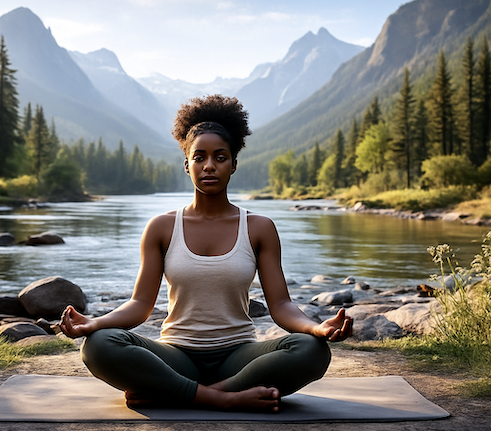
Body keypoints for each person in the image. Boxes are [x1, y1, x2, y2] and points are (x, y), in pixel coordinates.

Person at [59, 94, 353, 412]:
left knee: (313, 350)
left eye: (220, 157)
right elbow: (140, 305)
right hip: (176, 356)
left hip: (239, 360)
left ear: (233, 164)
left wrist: (316, 327)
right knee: (99, 345)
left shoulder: (259, 227)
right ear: (187, 164)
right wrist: (95, 323)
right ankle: (222, 399)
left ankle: (178, 394)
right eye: (199, 157)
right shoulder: (161, 227)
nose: (209, 166)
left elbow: (281, 305)